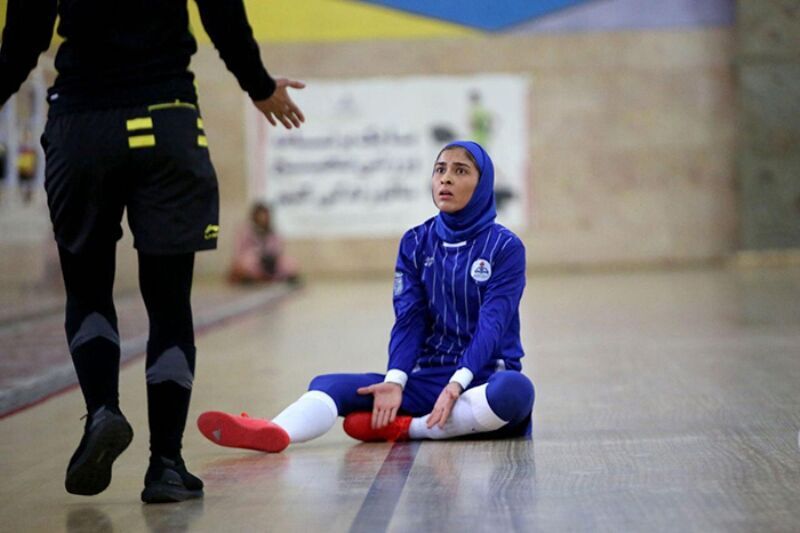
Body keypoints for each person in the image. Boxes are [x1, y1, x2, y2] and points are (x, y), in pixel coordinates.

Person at [0, 0, 305, 503]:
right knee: (169, 304)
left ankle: (103, 411)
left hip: (81, 125)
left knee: (88, 290)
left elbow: (23, 41)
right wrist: (257, 85)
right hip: (167, 119)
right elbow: (222, 13)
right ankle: (165, 464)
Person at [197, 141, 535, 453]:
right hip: (430, 378)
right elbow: (410, 320)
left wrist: (457, 384)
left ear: (482, 184)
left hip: (482, 379)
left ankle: (410, 428)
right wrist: (395, 380)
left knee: (516, 391)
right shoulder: (416, 242)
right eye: (440, 169)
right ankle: (274, 430)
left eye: (460, 171)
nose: (445, 178)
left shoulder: (505, 247)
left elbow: (492, 324)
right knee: (327, 385)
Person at [228, 202, 300, 284]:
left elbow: (278, 250)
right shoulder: (245, 231)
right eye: (260, 216)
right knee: (246, 263)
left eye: (265, 216)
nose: (262, 219)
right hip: (254, 263)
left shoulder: (273, 232)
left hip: (271, 264)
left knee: (290, 263)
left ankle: (279, 277)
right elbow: (238, 252)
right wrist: (256, 254)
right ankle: (250, 277)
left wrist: (270, 256)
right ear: (254, 216)